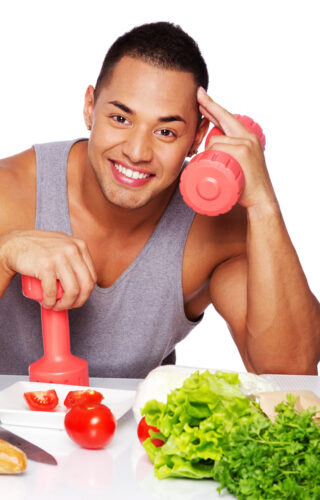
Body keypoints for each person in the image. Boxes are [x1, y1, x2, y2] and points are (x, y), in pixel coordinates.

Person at [0, 22, 319, 378]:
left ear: (198, 137)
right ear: (90, 107)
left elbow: (289, 370)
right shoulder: (10, 192)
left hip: (136, 433)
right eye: (120, 118)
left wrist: (263, 203)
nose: (137, 152)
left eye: (166, 131)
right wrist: (4, 253)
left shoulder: (212, 230)